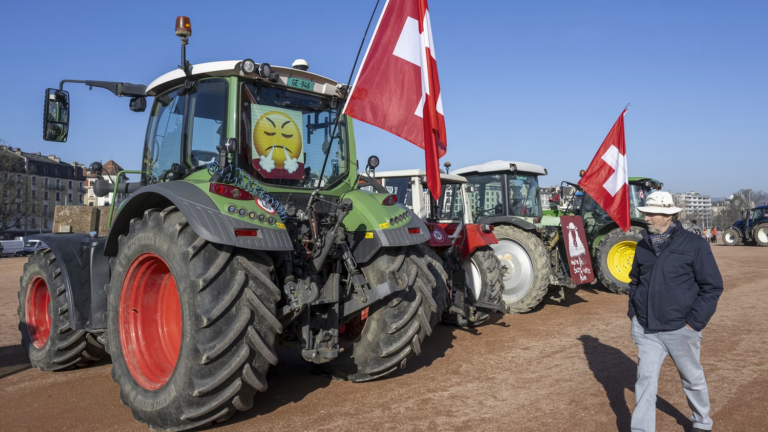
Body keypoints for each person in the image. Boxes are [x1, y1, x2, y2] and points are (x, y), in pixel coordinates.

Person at [627, 191, 723, 432]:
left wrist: (694, 323)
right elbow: (634, 282)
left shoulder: (695, 244)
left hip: (681, 328)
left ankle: (701, 422)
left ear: (668, 216)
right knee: (645, 381)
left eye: (651, 214)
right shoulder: (642, 246)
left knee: (692, 379)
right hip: (647, 328)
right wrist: (634, 314)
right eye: (645, 213)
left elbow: (712, 287)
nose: (646, 218)